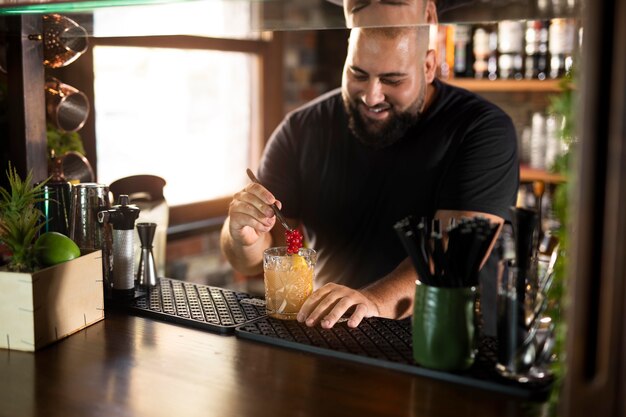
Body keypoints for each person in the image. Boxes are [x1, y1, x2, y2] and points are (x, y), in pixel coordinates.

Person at [220, 26, 518, 332]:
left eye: (392, 80)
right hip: (332, 332)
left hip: (447, 342)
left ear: (428, 66)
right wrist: (242, 237)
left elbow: (453, 253)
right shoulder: (302, 129)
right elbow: (259, 257)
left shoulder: (481, 130)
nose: (371, 95)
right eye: (358, 74)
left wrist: (371, 301)